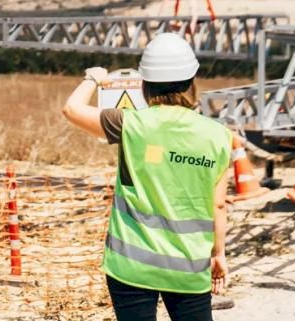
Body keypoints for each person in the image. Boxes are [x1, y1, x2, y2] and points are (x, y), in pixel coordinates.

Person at [62, 33, 230, 321]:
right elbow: (218, 206)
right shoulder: (217, 135)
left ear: (145, 84)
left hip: (131, 264)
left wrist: (93, 78)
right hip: (188, 264)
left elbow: (71, 109)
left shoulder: (129, 124)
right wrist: (218, 254)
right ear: (192, 82)